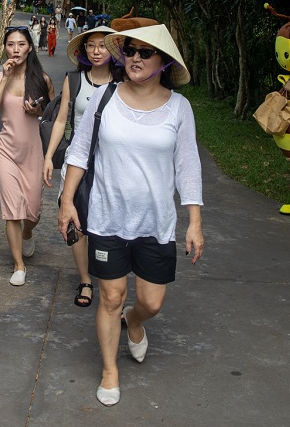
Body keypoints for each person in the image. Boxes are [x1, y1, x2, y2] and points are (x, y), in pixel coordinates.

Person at [58, 24, 203, 407]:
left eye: (146, 52)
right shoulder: (106, 97)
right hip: (107, 219)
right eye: (132, 51)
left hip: (156, 223)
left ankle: (134, 322)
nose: (136, 58)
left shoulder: (179, 108)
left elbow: (188, 166)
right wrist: (67, 201)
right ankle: (110, 370)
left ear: (163, 63)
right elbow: (79, 149)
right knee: (111, 296)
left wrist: (195, 221)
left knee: (151, 302)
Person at [42, 25, 121, 308]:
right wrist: (50, 157)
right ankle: (86, 279)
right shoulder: (74, 80)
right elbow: (61, 119)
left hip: (112, 162)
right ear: (84, 50)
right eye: (91, 45)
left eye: (103, 45)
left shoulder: (123, 82)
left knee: (109, 220)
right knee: (74, 218)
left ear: (113, 50)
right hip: (77, 160)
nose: (97, 51)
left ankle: (112, 275)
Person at [0, 26, 53, 286]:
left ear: (29, 47)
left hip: (33, 152)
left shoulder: (42, 79)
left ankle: (27, 233)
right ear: (4, 48)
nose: (16, 49)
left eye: (21, 44)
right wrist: (4, 77)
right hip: (5, 151)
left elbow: (51, 116)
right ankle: (19, 265)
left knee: (32, 213)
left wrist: (37, 111)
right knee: (12, 211)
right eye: (11, 44)